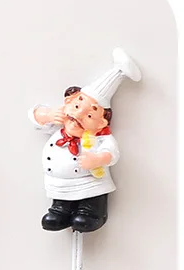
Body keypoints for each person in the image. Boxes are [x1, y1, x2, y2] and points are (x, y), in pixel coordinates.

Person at [29, 48, 141, 232]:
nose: (79, 115)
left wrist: (98, 159)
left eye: (89, 115)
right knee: (59, 206)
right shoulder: (58, 127)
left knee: (88, 210)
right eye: (76, 106)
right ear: (67, 103)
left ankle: (91, 213)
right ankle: (60, 211)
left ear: (101, 123)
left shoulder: (100, 138)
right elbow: (35, 118)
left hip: (91, 185)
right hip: (59, 186)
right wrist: (47, 115)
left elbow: (111, 153)